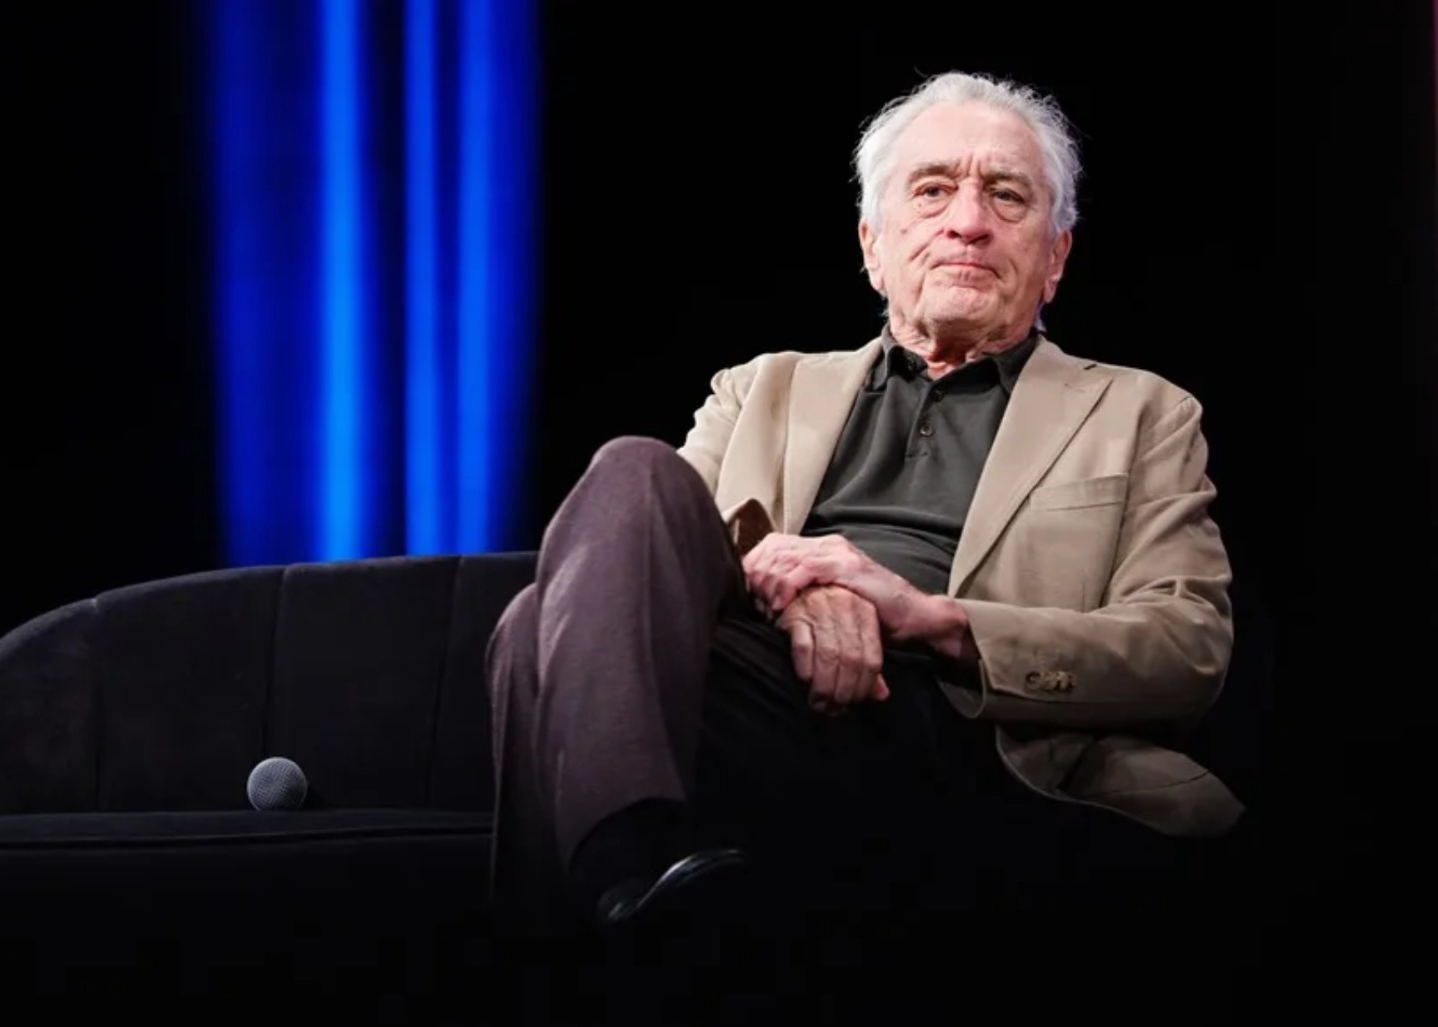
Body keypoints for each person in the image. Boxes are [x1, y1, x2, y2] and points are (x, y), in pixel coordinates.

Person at [486, 71, 1244, 939]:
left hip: (965, 732)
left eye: (1006, 196)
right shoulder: (760, 388)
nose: (968, 222)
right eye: (932, 191)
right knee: (627, 482)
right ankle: (629, 878)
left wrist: (926, 617)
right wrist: (809, 594)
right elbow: (655, 554)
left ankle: (585, 922)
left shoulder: (1141, 411)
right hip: (771, 687)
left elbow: (1188, 648)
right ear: (873, 246)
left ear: (1056, 258)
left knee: (531, 630)